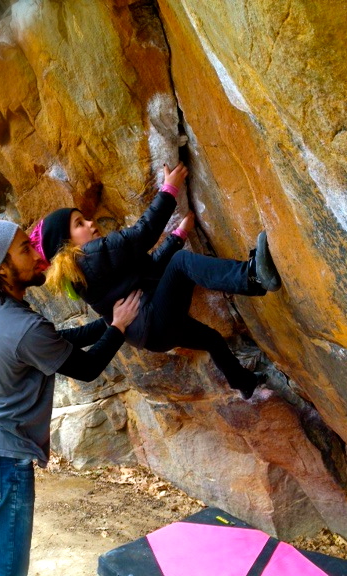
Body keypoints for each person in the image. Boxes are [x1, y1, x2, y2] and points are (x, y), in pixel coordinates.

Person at [0, 219, 141, 576]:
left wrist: (107, 323)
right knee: (0, 569)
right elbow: (86, 367)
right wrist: (118, 327)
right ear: (0, 268)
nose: (37, 253)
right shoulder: (21, 326)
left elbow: (54, 341)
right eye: (25, 248)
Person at [31, 161, 282, 400]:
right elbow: (142, 234)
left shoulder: (87, 273)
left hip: (153, 332)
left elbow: (150, 269)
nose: (90, 223)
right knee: (182, 262)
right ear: (66, 245)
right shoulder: (88, 257)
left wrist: (178, 235)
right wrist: (169, 189)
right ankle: (252, 276)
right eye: (79, 224)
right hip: (153, 320)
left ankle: (244, 383)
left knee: (211, 339)